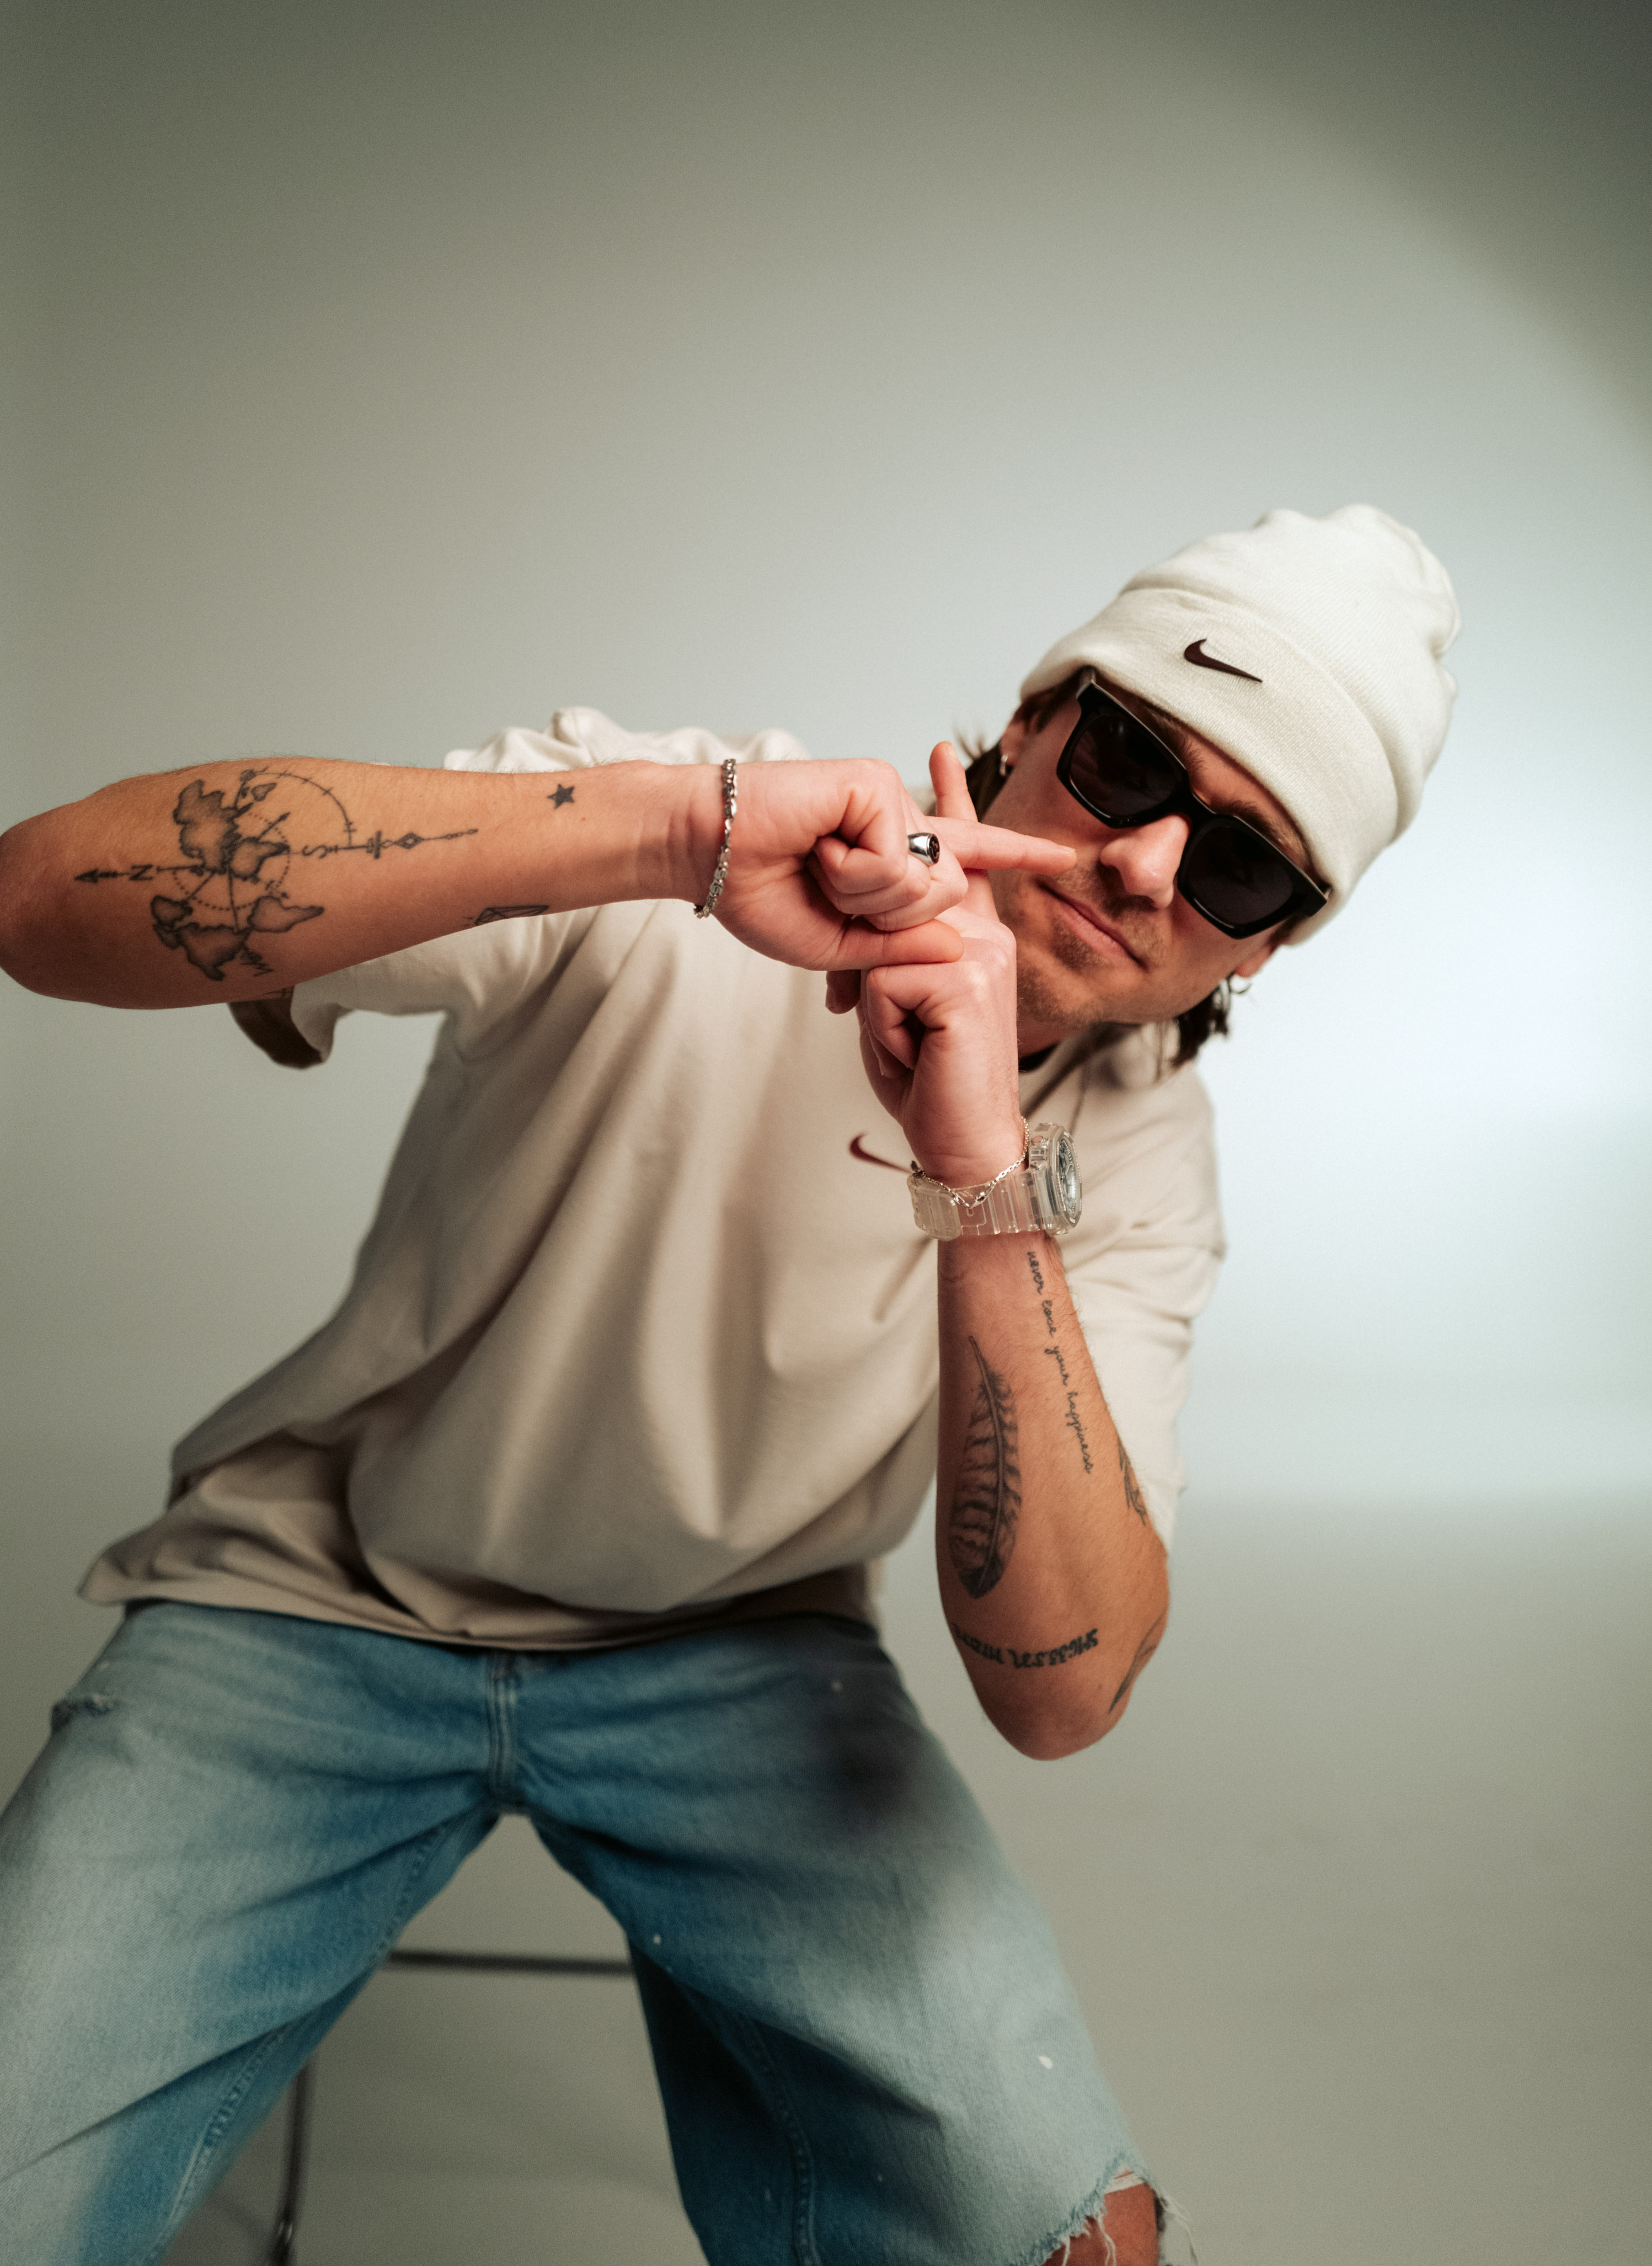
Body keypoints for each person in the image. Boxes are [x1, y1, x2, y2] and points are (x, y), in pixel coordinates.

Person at [0, 504, 1458, 2265]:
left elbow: (1063, 1690)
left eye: (1238, 867)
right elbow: (40, 900)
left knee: (1071, 2239)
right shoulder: (699, 827)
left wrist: (980, 1173)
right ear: (1033, 716)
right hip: (317, 1598)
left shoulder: (1146, 1148)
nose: (1143, 862)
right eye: (1129, 760)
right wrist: (671, 836)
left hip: (739, 1653)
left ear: (1271, 943)